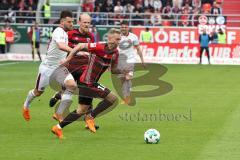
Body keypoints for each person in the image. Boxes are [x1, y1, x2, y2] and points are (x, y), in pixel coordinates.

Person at [51, 28, 123, 138]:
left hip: (90, 83)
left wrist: (125, 71)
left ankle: (58, 127)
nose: (118, 42)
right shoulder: (99, 47)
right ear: (109, 38)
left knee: (81, 110)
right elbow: (80, 46)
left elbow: (113, 70)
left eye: (120, 40)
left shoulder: (115, 53)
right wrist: (68, 59)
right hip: (86, 82)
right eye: (116, 39)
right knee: (112, 99)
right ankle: (90, 117)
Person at [22, 10, 74, 121]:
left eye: (72, 22)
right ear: (62, 22)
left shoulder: (65, 33)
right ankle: (26, 106)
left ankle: (59, 113)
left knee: (72, 86)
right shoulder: (58, 31)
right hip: (47, 68)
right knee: (38, 92)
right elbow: (60, 46)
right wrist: (74, 51)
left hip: (59, 69)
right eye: (69, 22)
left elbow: (62, 50)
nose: (71, 24)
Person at [50, 13, 96, 124]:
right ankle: (58, 95)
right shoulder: (70, 34)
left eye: (88, 23)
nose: (86, 25)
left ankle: (89, 121)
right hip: (71, 67)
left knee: (88, 92)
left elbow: (93, 52)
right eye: (84, 22)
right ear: (79, 22)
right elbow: (61, 46)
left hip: (85, 69)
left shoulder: (91, 37)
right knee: (68, 90)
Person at [118, 21, 145, 105]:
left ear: (128, 27)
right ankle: (127, 95)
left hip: (130, 60)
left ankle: (127, 98)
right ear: (120, 28)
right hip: (120, 61)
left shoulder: (133, 37)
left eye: (125, 27)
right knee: (122, 80)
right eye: (122, 27)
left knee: (127, 78)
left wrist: (142, 60)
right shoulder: (117, 37)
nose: (124, 28)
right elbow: (113, 50)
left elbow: (138, 49)